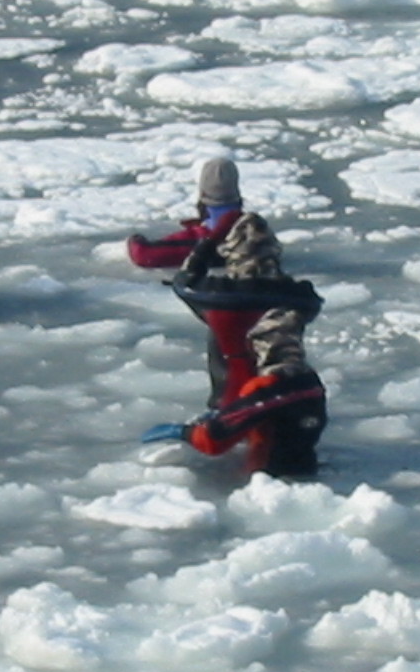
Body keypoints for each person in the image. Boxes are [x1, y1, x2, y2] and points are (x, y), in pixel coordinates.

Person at [141, 307, 327, 477]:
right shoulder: (310, 381)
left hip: (265, 479)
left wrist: (183, 432)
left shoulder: (267, 387)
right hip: (307, 468)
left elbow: (214, 439)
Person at [172, 211, 323, 409]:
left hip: (229, 404)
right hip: (281, 399)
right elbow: (312, 302)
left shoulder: (216, 297)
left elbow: (184, 280)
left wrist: (209, 241)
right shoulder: (298, 297)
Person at [126, 157, 245, 269]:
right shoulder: (253, 233)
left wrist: (134, 239)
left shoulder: (198, 242)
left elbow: (143, 255)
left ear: (202, 193)